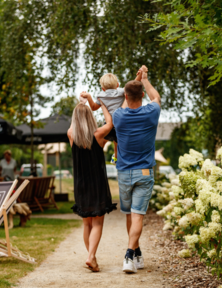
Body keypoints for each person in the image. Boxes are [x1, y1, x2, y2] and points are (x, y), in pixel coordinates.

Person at [113, 65, 160, 274]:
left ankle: (134, 254)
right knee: (137, 216)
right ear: (142, 94)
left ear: (125, 95)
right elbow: (155, 97)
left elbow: (124, 105)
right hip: (144, 172)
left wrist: (134, 81)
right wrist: (145, 80)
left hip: (123, 173)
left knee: (130, 216)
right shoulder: (151, 113)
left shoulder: (118, 117)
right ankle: (131, 254)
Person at [67, 97, 117, 272]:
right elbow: (110, 122)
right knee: (97, 224)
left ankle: (92, 257)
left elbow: (74, 126)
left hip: (80, 185)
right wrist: (101, 103)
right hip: (97, 184)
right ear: (90, 117)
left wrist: (81, 105)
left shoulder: (71, 134)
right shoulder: (98, 134)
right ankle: (91, 257)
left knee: (87, 224)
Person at [82, 72, 142, 163]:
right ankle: (115, 158)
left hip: (108, 126)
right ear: (117, 85)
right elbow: (133, 85)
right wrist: (140, 75)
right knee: (117, 143)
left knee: (101, 141)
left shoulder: (101, 96)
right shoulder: (122, 91)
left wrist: (89, 97)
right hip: (121, 125)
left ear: (103, 88)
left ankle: (94, 157)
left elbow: (93, 107)